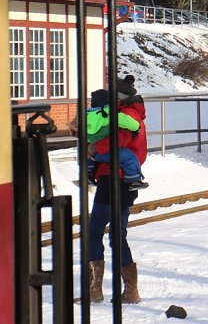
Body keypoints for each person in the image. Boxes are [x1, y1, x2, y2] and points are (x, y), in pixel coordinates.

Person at [88, 75, 148, 304]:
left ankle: (96, 290)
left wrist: (92, 148)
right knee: (117, 236)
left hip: (113, 179)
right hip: (123, 181)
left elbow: (114, 143)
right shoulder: (133, 113)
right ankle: (130, 291)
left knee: (94, 231)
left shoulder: (125, 115)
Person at [87, 87, 148, 190]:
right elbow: (127, 125)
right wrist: (136, 128)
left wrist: (93, 146)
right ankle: (134, 179)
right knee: (129, 158)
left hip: (108, 167)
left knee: (104, 205)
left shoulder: (89, 115)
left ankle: (89, 171)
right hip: (114, 172)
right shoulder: (115, 114)